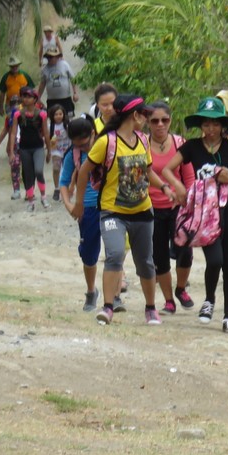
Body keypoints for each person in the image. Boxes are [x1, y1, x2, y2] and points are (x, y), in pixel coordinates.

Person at [72, 95, 178, 325]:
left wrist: (164, 187)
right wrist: (79, 203)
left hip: (142, 211)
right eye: (144, 114)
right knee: (115, 254)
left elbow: (148, 171)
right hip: (113, 211)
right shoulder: (106, 142)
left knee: (145, 261)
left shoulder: (142, 140)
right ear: (134, 115)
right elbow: (84, 171)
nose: (147, 119)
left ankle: (150, 308)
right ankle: (108, 307)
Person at [162, 97, 228, 334]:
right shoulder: (192, 147)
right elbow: (167, 169)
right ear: (200, 125)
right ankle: (209, 299)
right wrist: (178, 186)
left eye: (215, 123)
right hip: (204, 214)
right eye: (206, 123)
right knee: (215, 260)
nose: (210, 129)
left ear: (223, 125)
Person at [145, 101, 195, 314]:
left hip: (179, 207)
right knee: (159, 256)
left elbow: (189, 177)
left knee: (185, 251)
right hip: (152, 208)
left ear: (170, 120)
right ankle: (168, 301)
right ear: (147, 122)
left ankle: (181, 288)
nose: (160, 124)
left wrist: (188, 200)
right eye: (155, 120)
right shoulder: (142, 145)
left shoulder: (180, 143)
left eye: (164, 120)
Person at [60, 115, 102, 312]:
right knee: (89, 255)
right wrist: (70, 206)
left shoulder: (106, 148)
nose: (83, 148)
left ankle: (115, 296)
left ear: (93, 134)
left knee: (115, 251)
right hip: (87, 210)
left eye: (85, 143)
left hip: (111, 206)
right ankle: (91, 291)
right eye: (78, 144)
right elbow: (63, 182)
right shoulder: (73, 155)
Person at [10, 88, 51, 211]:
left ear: (35, 99)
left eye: (29, 97)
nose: (26, 99)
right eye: (24, 96)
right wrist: (11, 152)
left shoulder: (41, 114)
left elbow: (46, 133)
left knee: (38, 171)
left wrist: (49, 150)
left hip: (38, 147)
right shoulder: (18, 114)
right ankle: (30, 200)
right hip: (24, 148)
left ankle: (43, 196)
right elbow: (13, 133)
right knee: (28, 175)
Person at [37, 47, 78, 117]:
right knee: (53, 118)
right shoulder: (45, 69)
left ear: (57, 57)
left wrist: (75, 93)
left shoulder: (65, 64)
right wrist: (38, 97)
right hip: (52, 100)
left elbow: (73, 78)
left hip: (65, 98)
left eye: (51, 57)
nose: (49, 59)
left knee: (68, 117)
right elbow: (42, 84)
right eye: (48, 57)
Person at [48, 104, 70, 201]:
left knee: (66, 170)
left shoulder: (68, 125)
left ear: (64, 114)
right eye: (56, 114)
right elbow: (47, 138)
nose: (58, 116)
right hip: (56, 150)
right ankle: (57, 188)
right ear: (52, 116)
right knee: (56, 168)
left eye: (60, 114)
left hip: (67, 149)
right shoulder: (50, 127)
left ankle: (65, 189)